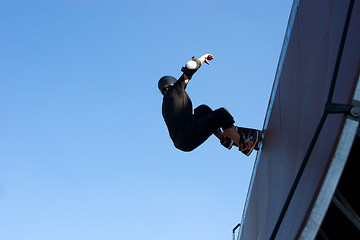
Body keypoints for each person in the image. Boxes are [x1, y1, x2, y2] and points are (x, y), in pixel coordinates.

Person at [158, 54, 261, 156]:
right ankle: (243, 145)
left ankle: (224, 138)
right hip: (188, 136)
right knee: (221, 114)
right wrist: (203, 58)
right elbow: (190, 68)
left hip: (182, 139)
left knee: (202, 110)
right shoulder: (174, 91)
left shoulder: (165, 105)